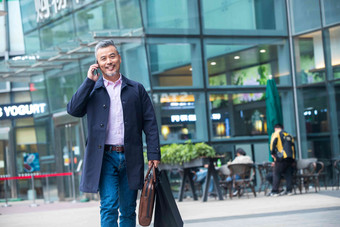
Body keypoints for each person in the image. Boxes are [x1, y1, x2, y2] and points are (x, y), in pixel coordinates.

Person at [67, 39, 161, 227]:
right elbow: (74, 110)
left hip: (131, 156)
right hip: (104, 157)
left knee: (128, 209)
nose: (108, 61)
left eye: (112, 56)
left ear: (119, 58)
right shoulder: (93, 89)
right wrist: (88, 82)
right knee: (109, 205)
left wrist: (153, 154)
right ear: (98, 64)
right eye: (103, 58)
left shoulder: (136, 89)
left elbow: (150, 124)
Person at [269, 124, 296, 196]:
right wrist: (293, 159)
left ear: (276, 129)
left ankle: (275, 191)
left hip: (281, 157)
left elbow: (272, 144)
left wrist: (272, 153)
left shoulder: (276, 133)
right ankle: (289, 190)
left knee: (276, 173)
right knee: (288, 174)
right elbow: (293, 147)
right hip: (290, 157)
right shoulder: (289, 135)